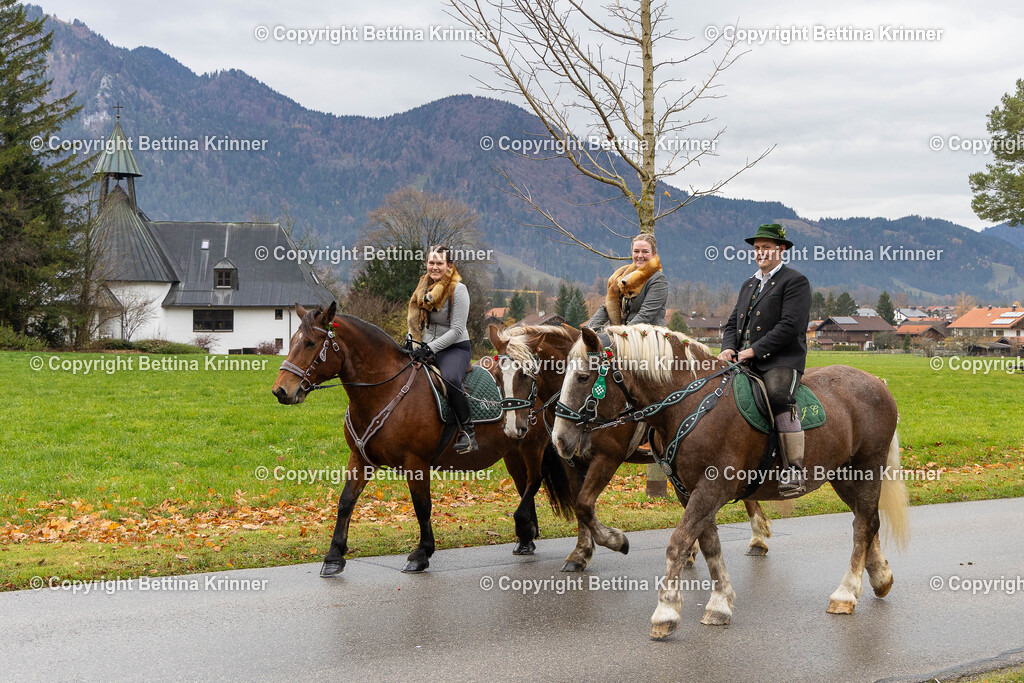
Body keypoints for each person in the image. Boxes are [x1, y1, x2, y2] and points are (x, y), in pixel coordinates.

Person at [718, 223, 811, 497]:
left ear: (781, 250)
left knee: (779, 396)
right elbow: (734, 322)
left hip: (781, 360)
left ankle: (794, 469)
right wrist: (727, 348)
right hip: (746, 359)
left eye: (766, 248)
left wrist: (753, 351)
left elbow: (790, 326)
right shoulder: (749, 284)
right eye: (757, 249)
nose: (761, 253)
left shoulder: (795, 281)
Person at [407, 245, 477, 453]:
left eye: (439, 263)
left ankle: (468, 432)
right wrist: (411, 343)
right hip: (427, 346)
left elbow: (456, 330)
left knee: (450, 379)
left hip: (455, 348)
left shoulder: (458, 290)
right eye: (431, 263)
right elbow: (414, 322)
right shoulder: (423, 290)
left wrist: (429, 348)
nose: (434, 267)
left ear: (449, 266)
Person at [584, 233, 668, 331]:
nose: (640, 256)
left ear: (654, 254)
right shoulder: (623, 277)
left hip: (650, 336)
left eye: (645, 252)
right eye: (636, 251)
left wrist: (620, 334)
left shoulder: (658, 280)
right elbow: (607, 307)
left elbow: (645, 315)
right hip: (625, 335)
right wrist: (587, 329)